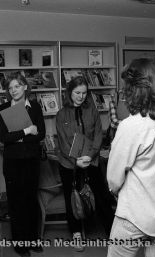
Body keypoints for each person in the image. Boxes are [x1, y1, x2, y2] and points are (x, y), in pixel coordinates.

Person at [107, 58, 155, 257]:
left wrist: (116, 191)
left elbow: (114, 178)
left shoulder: (132, 125)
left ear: (136, 89)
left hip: (134, 215)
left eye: (127, 87)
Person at [56, 76, 114, 251]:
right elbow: (63, 142)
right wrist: (76, 161)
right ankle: (76, 234)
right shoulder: (61, 114)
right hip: (69, 164)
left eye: (84, 93)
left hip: (91, 160)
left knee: (102, 196)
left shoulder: (92, 110)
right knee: (72, 198)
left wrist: (89, 156)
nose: (81, 97)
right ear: (69, 92)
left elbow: (98, 135)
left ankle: (112, 232)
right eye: (77, 93)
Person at [0, 72, 45, 257]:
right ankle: (20, 244)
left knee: (31, 200)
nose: (13, 90)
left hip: (31, 161)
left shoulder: (35, 108)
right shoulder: (3, 109)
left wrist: (18, 137)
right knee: (16, 203)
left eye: (17, 86)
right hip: (13, 163)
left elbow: (40, 134)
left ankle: (33, 240)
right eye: (10, 88)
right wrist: (26, 131)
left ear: (25, 86)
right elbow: (4, 137)